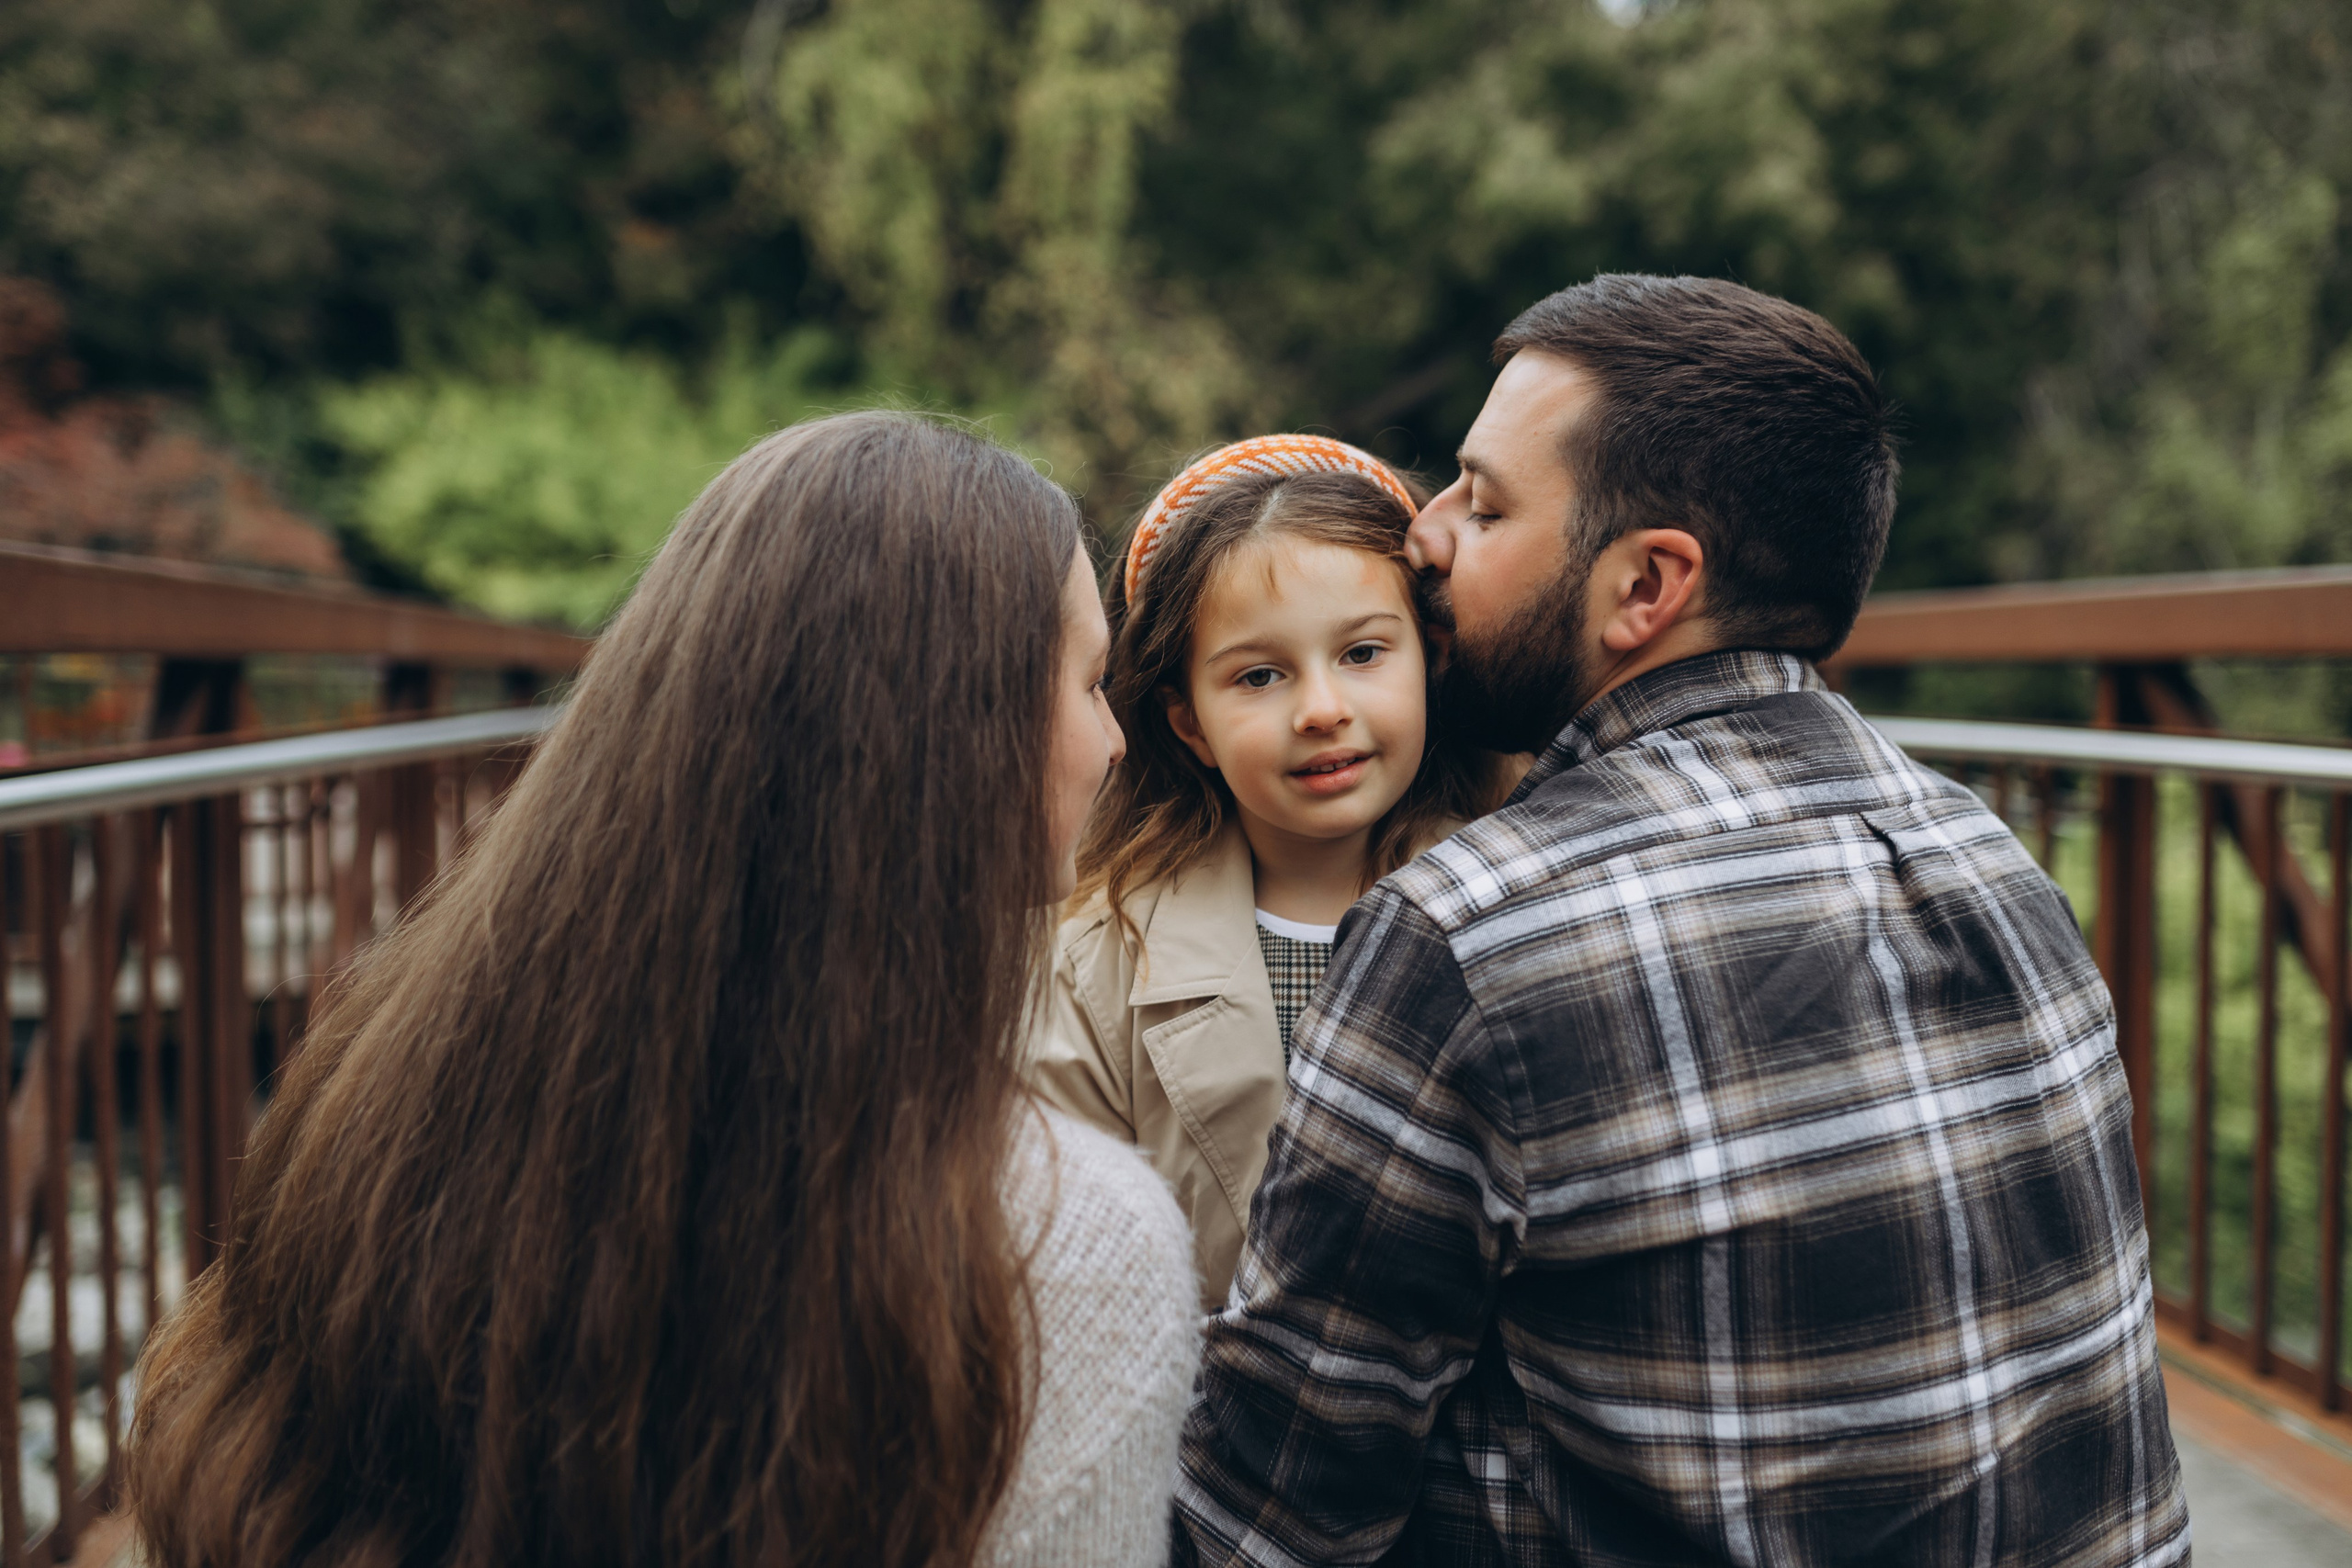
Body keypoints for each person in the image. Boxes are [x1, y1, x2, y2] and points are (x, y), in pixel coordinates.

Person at [1174, 277, 2188, 1565]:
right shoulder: (1992, 855)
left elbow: (1265, 1520)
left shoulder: (1467, 935)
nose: (1420, 533)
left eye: (1483, 505)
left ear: (1646, 585)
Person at [128, 412, 1201, 1568]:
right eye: (1092, 684)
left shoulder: (382, 1097)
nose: (1114, 744)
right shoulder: (1066, 1252)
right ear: (960, 741)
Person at [1029, 435, 1497, 1308]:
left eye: (1363, 654)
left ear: (1430, 656)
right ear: (1188, 723)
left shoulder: (1522, 897)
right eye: (1259, 675)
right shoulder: (1096, 960)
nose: (1322, 710)